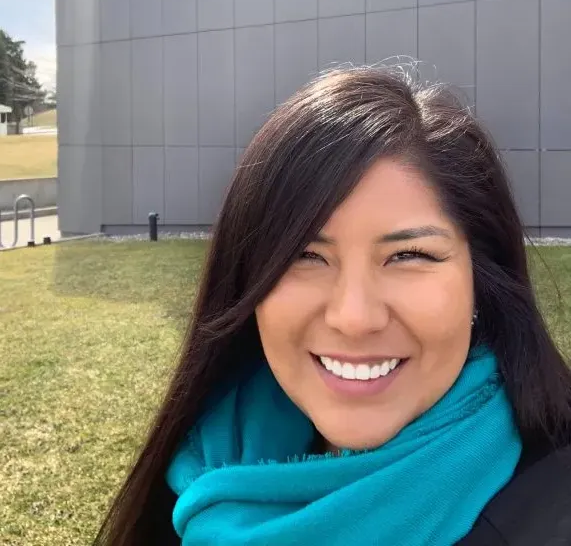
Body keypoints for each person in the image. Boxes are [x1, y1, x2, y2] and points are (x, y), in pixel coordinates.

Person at [94, 65, 571, 546]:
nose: (354, 318)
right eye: (304, 255)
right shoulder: (208, 459)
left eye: (408, 255)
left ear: (481, 280)